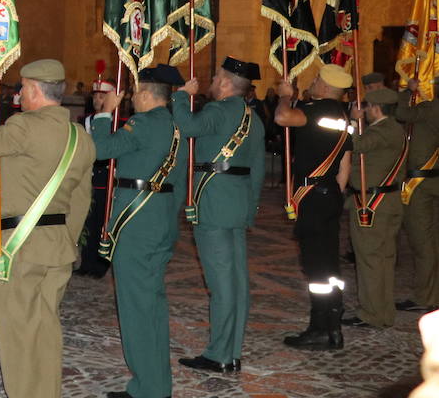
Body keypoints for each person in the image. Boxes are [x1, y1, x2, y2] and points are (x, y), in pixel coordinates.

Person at [0, 59, 96, 398]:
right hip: (57, 247)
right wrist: (66, 242)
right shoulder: (80, 138)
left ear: (36, 91)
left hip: (19, 247)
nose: (18, 95)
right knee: (46, 334)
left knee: (18, 334)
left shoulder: (24, 127)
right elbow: (82, 202)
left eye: (21, 88)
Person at [90, 65, 184, 398]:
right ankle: (157, 381)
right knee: (153, 304)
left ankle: (149, 387)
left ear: (146, 94)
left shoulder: (143, 123)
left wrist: (105, 113)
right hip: (159, 218)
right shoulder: (175, 126)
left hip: (136, 222)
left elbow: (100, 150)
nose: (129, 96)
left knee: (136, 306)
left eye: (132, 91)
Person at [173, 56, 266, 373]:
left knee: (221, 284)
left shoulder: (217, 110)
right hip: (238, 204)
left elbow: (186, 127)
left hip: (212, 202)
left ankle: (219, 355)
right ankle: (232, 350)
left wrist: (181, 95)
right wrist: (250, 209)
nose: (211, 82)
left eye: (215, 77)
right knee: (237, 282)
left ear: (226, 82)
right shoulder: (254, 118)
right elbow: (258, 170)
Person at [275, 62, 353, 350]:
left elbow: (283, 118)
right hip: (331, 193)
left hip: (314, 195)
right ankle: (333, 322)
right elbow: (345, 166)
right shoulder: (344, 117)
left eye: (317, 78)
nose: (314, 81)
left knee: (316, 267)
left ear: (324, 85)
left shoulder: (318, 111)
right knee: (329, 265)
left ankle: (321, 328)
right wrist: (332, 194)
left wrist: (286, 94)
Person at [343, 87, 408, 328]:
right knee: (383, 260)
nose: (365, 111)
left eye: (367, 107)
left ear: (376, 108)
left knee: (370, 260)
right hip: (386, 202)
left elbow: (354, 143)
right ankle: (383, 312)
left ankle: (371, 313)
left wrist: (352, 120)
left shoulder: (383, 131)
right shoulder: (395, 129)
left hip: (373, 205)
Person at [395, 77, 439, 312]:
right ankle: (434, 292)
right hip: (435, 180)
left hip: (420, 183)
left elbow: (400, 113)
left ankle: (425, 297)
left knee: (422, 242)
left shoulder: (430, 108)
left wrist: (406, 90)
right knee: (434, 241)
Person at [76, 78, 117, 278]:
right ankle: (86, 262)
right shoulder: (84, 121)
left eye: (102, 96)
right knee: (86, 222)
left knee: (102, 223)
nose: (97, 100)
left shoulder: (117, 123)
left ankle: (101, 264)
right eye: (95, 96)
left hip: (105, 179)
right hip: (86, 177)